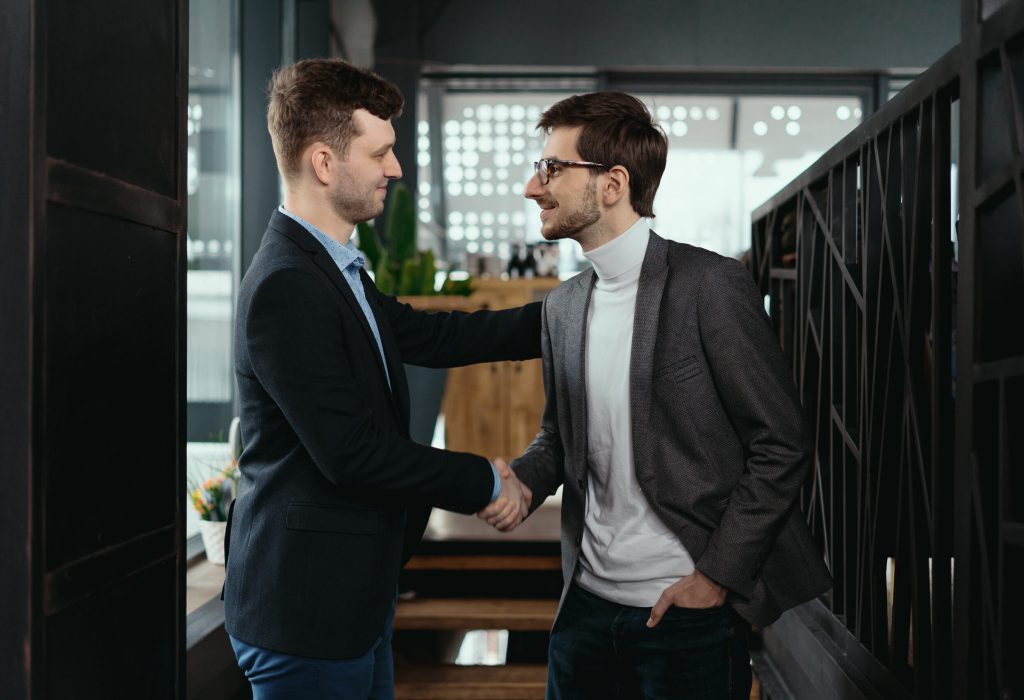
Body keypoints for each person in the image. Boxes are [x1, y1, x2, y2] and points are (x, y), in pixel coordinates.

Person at [479, 91, 832, 699]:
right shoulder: (562, 307)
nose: (533, 188)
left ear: (613, 183)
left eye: (551, 169)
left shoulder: (710, 287)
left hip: (683, 616)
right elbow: (560, 438)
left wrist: (717, 578)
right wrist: (525, 481)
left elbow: (781, 442)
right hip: (584, 611)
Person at [223, 58, 534, 700]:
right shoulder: (288, 286)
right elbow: (352, 454)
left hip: (350, 602)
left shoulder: (335, 270)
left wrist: (566, 315)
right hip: (307, 612)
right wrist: (483, 479)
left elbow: (439, 335)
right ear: (324, 163)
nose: (395, 168)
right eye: (382, 151)